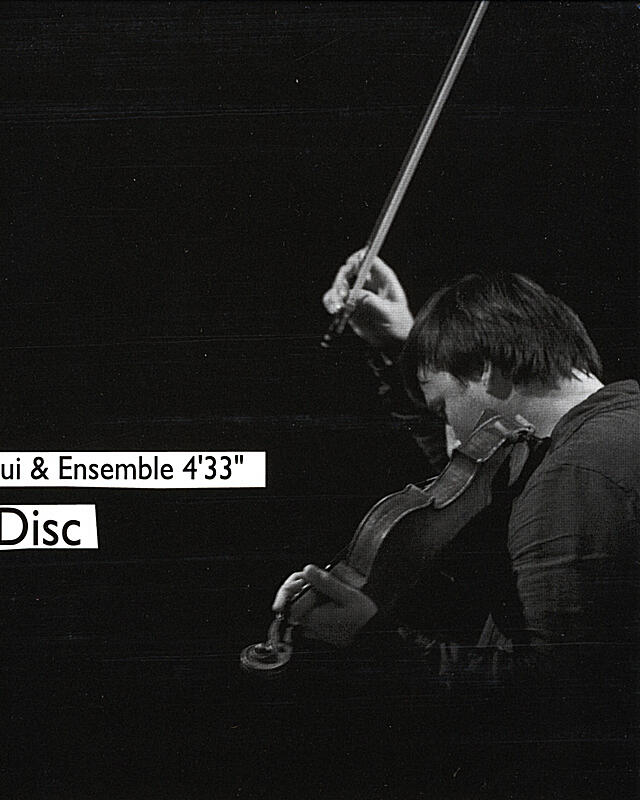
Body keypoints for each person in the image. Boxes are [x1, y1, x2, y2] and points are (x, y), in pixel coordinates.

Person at [272, 249, 639, 795]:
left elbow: (554, 696)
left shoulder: (573, 478)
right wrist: (410, 347)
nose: (451, 441)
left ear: (486, 368)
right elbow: (478, 464)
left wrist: (376, 643)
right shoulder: (617, 422)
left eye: (444, 410)